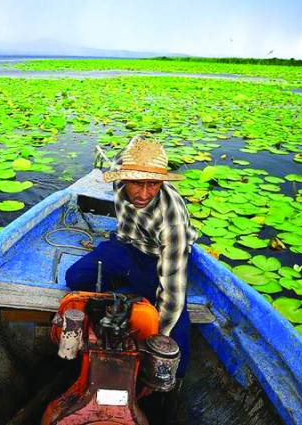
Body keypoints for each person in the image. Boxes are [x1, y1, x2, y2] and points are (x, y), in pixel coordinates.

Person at [65, 137, 197, 422]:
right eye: (136, 182)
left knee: (177, 331)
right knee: (76, 276)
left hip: (158, 257)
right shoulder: (119, 180)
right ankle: (121, 300)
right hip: (126, 246)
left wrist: (158, 340)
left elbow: (172, 290)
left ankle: (167, 388)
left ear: (161, 182)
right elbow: (115, 163)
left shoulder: (171, 217)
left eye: (153, 183)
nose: (143, 192)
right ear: (123, 178)